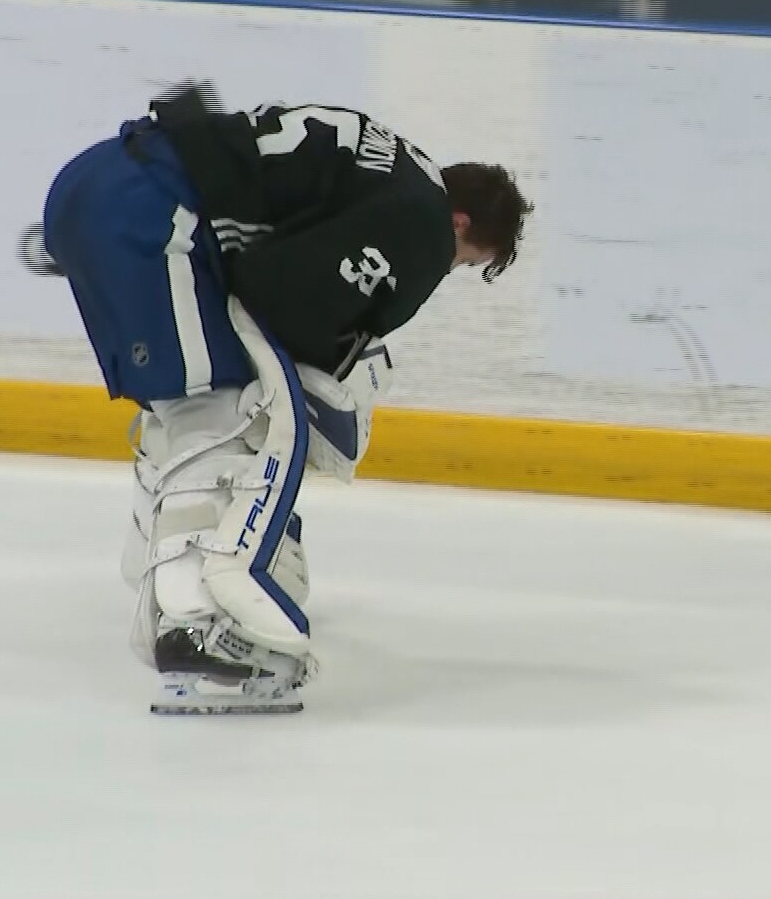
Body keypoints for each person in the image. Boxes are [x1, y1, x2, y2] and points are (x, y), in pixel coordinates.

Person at [41, 84, 532, 714]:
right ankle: (195, 627)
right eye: (465, 261)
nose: (449, 266)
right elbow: (283, 294)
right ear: (461, 223)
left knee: (175, 401)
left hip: (102, 184)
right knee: (212, 413)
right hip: (155, 209)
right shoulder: (422, 220)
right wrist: (330, 376)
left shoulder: (391, 167)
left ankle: (155, 579)